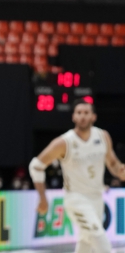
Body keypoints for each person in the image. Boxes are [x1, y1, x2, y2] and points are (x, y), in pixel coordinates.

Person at [29, 99, 125, 253]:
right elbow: (36, 165)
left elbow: (113, 164)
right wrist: (42, 198)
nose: (82, 116)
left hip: (97, 199)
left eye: (86, 113)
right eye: (79, 113)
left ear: (93, 116)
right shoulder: (64, 142)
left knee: (86, 245)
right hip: (76, 198)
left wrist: (120, 171)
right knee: (99, 238)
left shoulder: (102, 136)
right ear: (73, 117)